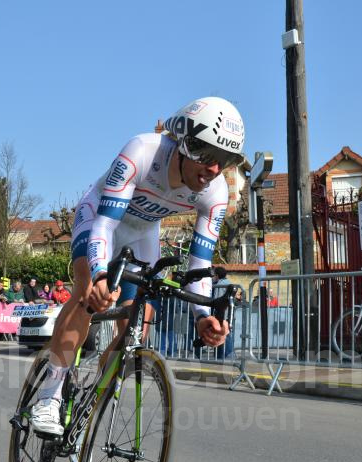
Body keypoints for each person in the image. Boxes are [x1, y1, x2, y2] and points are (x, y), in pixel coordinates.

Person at [30, 96, 241, 436]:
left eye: (225, 161)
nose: (215, 169)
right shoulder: (143, 151)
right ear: (185, 143)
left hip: (142, 235)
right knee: (88, 294)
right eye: (207, 155)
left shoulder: (215, 192)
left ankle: (90, 405)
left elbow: (200, 262)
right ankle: (49, 395)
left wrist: (203, 316)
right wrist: (100, 274)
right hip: (99, 218)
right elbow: (105, 225)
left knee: (137, 327)